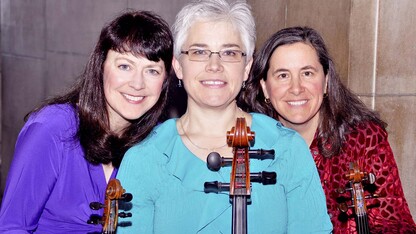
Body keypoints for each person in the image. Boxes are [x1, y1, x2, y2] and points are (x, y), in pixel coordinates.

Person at [116, 1, 332, 233]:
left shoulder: (287, 148)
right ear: (178, 66)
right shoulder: (146, 157)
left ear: (247, 67)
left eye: (229, 53)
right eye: (199, 52)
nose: (214, 65)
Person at [0, 10, 173, 233]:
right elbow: (11, 227)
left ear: (166, 79)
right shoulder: (52, 128)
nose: (137, 84)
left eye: (152, 70)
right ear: (100, 67)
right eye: (124, 66)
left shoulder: (159, 143)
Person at [240, 26, 416, 233]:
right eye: (283, 75)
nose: (296, 88)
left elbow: (394, 223)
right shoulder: (249, 144)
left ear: (325, 82)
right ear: (264, 87)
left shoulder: (363, 138)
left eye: (307, 73)